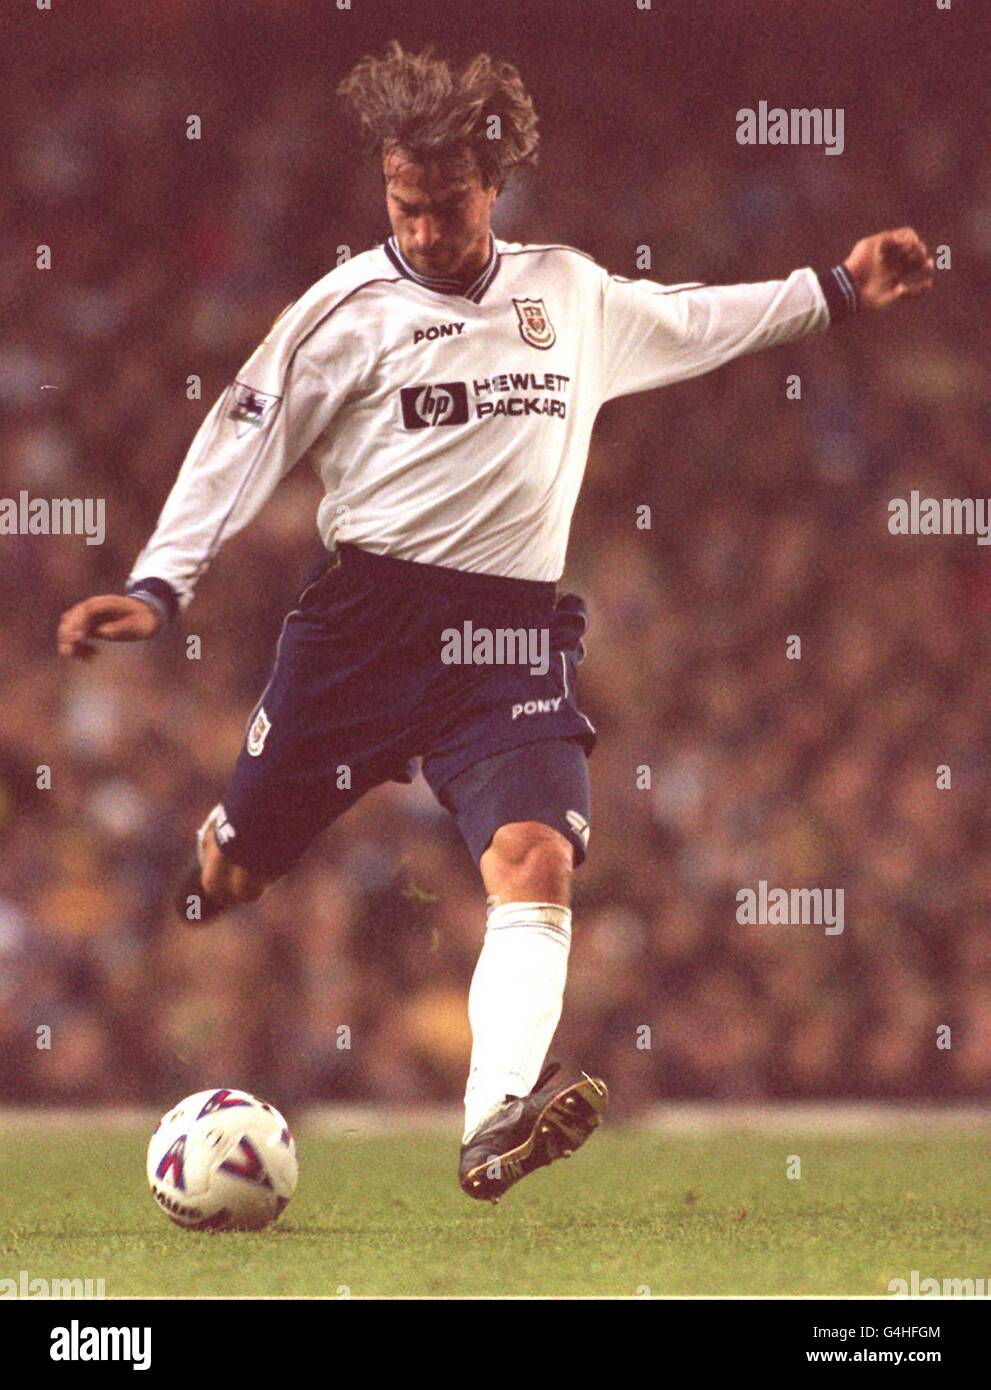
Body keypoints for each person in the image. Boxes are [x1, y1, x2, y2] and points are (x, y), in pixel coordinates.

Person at [56, 41, 934, 1202]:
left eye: (445, 205)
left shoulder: (565, 292)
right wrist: (161, 584)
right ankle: (221, 850)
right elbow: (241, 437)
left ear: (494, 179)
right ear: (385, 188)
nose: (423, 229)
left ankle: (491, 1120)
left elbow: (692, 320)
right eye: (402, 206)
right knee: (236, 877)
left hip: (510, 637)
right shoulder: (341, 313)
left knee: (535, 859)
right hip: (360, 630)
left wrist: (833, 288)